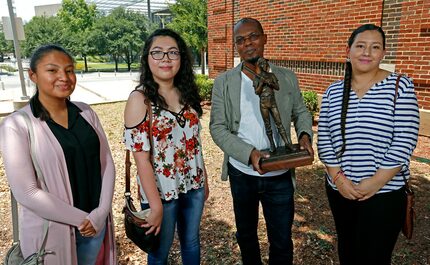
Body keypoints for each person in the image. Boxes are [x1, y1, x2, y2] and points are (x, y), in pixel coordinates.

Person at [209, 18, 314, 265]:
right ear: (236, 46)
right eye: (240, 40)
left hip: (279, 174)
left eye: (253, 36)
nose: (248, 43)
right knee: (246, 237)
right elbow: (217, 127)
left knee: (281, 240)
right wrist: (249, 153)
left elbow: (300, 111)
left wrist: (304, 135)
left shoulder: (285, 77)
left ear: (264, 38)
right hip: (242, 174)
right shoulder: (224, 82)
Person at [0, 44, 117, 264]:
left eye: (70, 70)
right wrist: (83, 219)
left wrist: (101, 212)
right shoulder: (17, 125)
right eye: (52, 70)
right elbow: (26, 192)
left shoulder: (86, 113)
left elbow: (107, 163)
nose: (64, 77)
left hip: (95, 226)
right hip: (53, 232)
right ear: (33, 75)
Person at [317, 24, 419, 265]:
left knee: (374, 256)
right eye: (360, 46)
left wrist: (374, 183)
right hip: (340, 190)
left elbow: (404, 141)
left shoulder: (400, 87)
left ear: (383, 54)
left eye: (375, 47)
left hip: (384, 194)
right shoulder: (333, 91)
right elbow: (324, 139)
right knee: (348, 251)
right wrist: (339, 179)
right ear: (348, 50)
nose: (367, 52)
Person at [123, 28, 209, 265]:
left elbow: (195, 145)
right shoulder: (140, 99)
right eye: (157, 53)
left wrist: (204, 182)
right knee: (160, 252)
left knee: (191, 242)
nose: (166, 59)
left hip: (194, 184)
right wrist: (155, 205)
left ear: (182, 57)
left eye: (173, 52)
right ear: (147, 58)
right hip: (161, 191)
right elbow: (141, 159)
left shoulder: (188, 93)